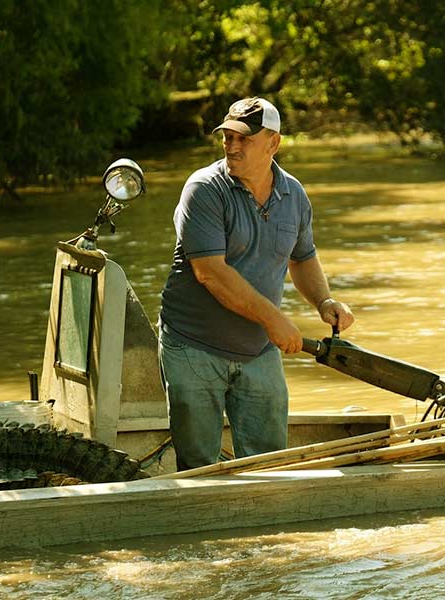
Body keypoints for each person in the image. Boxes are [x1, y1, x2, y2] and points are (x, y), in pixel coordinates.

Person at [158, 96, 354, 471]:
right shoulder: (203, 189)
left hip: (258, 349)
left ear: (273, 142)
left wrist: (324, 300)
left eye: (243, 138)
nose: (232, 146)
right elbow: (210, 273)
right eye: (227, 137)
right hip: (193, 346)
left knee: (270, 465)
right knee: (199, 466)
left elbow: (302, 257)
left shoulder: (293, 194)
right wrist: (274, 320)